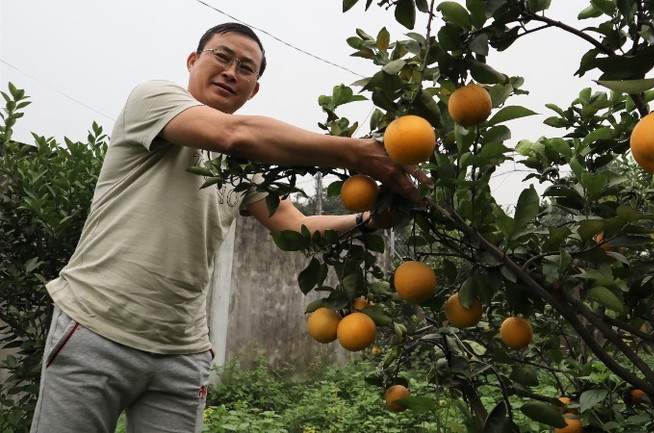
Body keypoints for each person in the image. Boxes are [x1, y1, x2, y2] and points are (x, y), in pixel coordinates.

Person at [31, 22, 425, 432]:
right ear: (192, 60)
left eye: (246, 68)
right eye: (221, 56)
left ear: (253, 88)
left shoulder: (243, 169)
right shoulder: (152, 99)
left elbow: (297, 226)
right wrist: (358, 154)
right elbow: (235, 134)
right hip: (96, 327)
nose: (231, 71)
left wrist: (367, 220)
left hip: (182, 352)